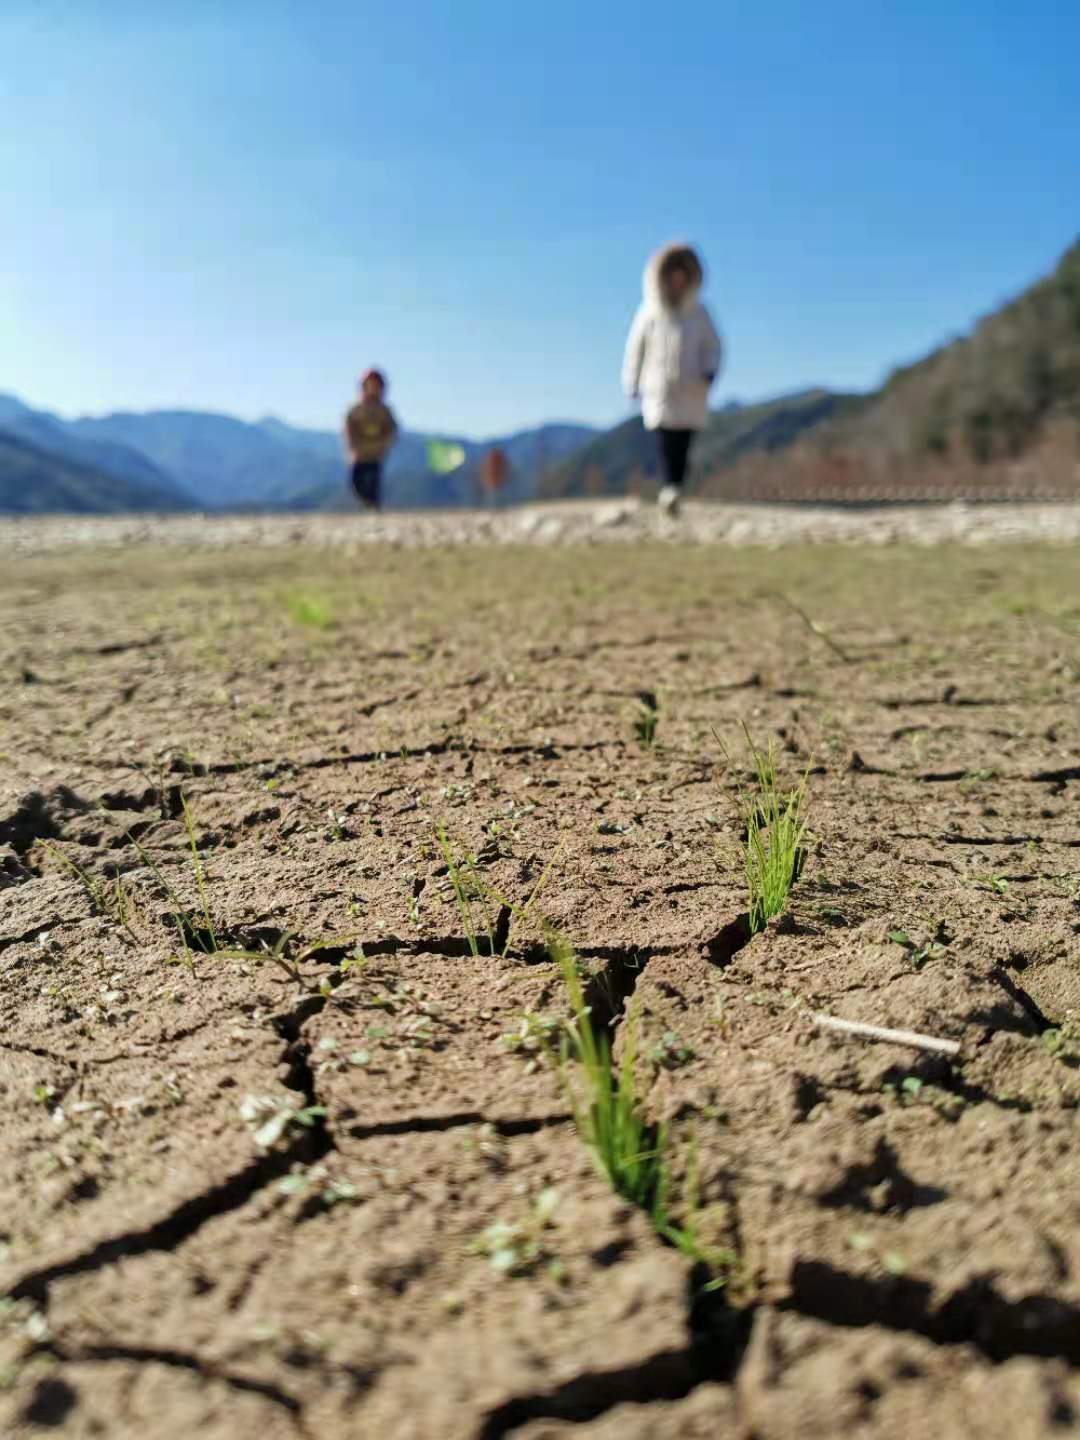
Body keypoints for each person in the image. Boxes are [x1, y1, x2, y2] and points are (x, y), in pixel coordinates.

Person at [622, 243, 722, 515]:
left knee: (683, 441)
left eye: (682, 278)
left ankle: (674, 487)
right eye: (672, 277)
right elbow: (636, 349)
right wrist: (631, 381)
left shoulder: (700, 313)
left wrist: (709, 371)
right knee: (665, 437)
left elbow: (713, 347)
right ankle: (669, 487)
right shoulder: (649, 312)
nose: (677, 283)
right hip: (658, 387)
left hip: (692, 387)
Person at [344, 369, 398, 510]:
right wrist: (352, 445)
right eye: (369, 385)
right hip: (359, 454)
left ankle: (374, 507)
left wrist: (385, 444)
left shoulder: (384, 411)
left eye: (376, 386)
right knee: (357, 483)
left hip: (376, 454)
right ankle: (367, 503)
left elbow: (392, 429)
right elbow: (348, 428)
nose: (373, 389)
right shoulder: (356, 410)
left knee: (374, 482)